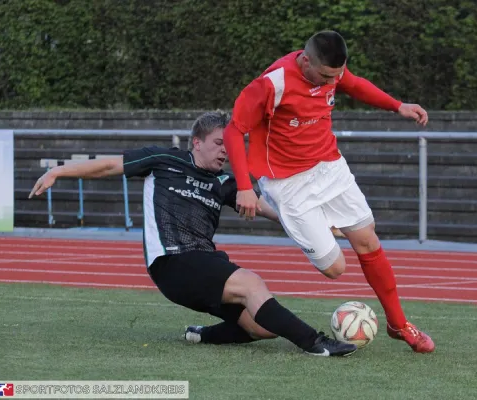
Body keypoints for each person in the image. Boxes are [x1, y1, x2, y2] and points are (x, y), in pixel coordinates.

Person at [28, 110, 357, 357]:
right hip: (172, 261)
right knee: (251, 283)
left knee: (261, 328)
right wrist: (59, 170)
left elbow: (266, 208)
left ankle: (202, 335)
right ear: (196, 142)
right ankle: (316, 343)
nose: (226, 151)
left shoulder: (226, 182)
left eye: (229, 146)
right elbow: (108, 166)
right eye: (219, 143)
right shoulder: (163, 159)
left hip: (204, 262)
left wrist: (318, 228)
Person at [223, 31, 435, 353]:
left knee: (367, 240)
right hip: (287, 182)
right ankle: (296, 216)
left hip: (328, 165)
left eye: (335, 76)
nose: (330, 82)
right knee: (335, 269)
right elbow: (233, 130)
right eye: (325, 76)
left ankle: (398, 324)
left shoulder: (331, 73)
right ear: (306, 61)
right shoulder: (272, 84)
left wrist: (397, 106)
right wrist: (243, 188)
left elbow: (354, 83)